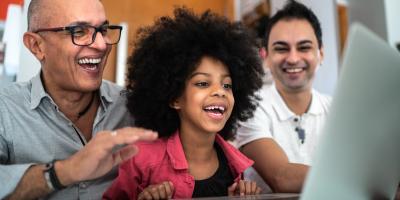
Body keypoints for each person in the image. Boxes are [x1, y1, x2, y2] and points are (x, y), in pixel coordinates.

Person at [0, 0, 158, 199]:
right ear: (37, 46)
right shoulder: (5, 110)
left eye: (103, 30)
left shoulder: (134, 107)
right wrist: (66, 171)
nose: (101, 45)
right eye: (79, 31)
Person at [103, 8, 265, 199]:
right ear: (174, 97)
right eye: (203, 83)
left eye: (227, 85)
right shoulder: (141, 159)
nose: (220, 91)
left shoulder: (235, 165)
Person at [236, 0, 331, 193]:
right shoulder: (250, 107)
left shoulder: (337, 109)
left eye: (304, 47)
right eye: (281, 48)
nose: (293, 58)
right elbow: (281, 176)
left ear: (320, 53)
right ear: (266, 57)